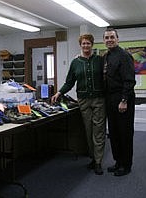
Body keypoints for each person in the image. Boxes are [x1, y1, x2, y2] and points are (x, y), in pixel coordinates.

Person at [51, 34, 106, 175]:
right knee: (88, 131)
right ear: (80, 45)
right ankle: (93, 158)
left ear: (92, 45)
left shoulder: (100, 60)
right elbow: (69, 82)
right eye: (83, 43)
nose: (86, 46)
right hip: (83, 101)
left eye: (88, 43)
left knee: (98, 131)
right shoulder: (75, 62)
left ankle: (98, 162)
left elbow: (107, 77)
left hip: (99, 99)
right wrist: (59, 93)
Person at [103, 28, 136, 176]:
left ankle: (126, 165)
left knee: (125, 133)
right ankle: (118, 162)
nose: (109, 40)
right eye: (107, 38)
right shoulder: (106, 57)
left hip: (123, 98)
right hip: (110, 99)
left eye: (112, 37)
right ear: (104, 41)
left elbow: (130, 80)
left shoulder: (124, 56)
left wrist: (124, 100)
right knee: (114, 133)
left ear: (117, 39)